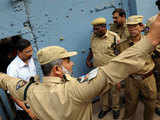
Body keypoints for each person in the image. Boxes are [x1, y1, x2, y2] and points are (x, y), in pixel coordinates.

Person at [0, 13, 160, 120]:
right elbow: (115, 67)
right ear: (56, 69)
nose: (72, 63)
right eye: (67, 61)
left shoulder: (30, 91)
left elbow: (7, 81)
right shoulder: (76, 91)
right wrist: (151, 39)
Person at [117, 15, 157, 120]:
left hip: (148, 78)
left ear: (141, 27)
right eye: (129, 27)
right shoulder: (122, 45)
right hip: (131, 79)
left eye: (135, 26)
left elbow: (157, 58)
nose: (132, 29)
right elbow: (120, 64)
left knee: (151, 104)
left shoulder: (150, 42)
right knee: (130, 104)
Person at [86, 17, 121, 119]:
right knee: (102, 90)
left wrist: (119, 74)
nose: (94, 31)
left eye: (97, 29)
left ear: (104, 27)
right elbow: (91, 50)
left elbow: (121, 55)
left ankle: (115, 108)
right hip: (98, 70)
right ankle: (105, 108)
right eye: (94, 29)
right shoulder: (94, 36)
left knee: (114, 90)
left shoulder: (114, 37)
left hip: (112, 70)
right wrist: (88, 60)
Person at [7, 39, 37, 120]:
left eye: (31, 50)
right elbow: (12, 94)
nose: (31, 53)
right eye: (27, 52)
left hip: (37, 103)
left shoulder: (31, 59)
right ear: (19, 52)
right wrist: (29, 111)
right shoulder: (12, 68)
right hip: (26, 109)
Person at [145, 0, 160, 116]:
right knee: (158, 80)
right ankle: (158, 104)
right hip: (158, 56)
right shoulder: (152, 20)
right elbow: (147, 39)